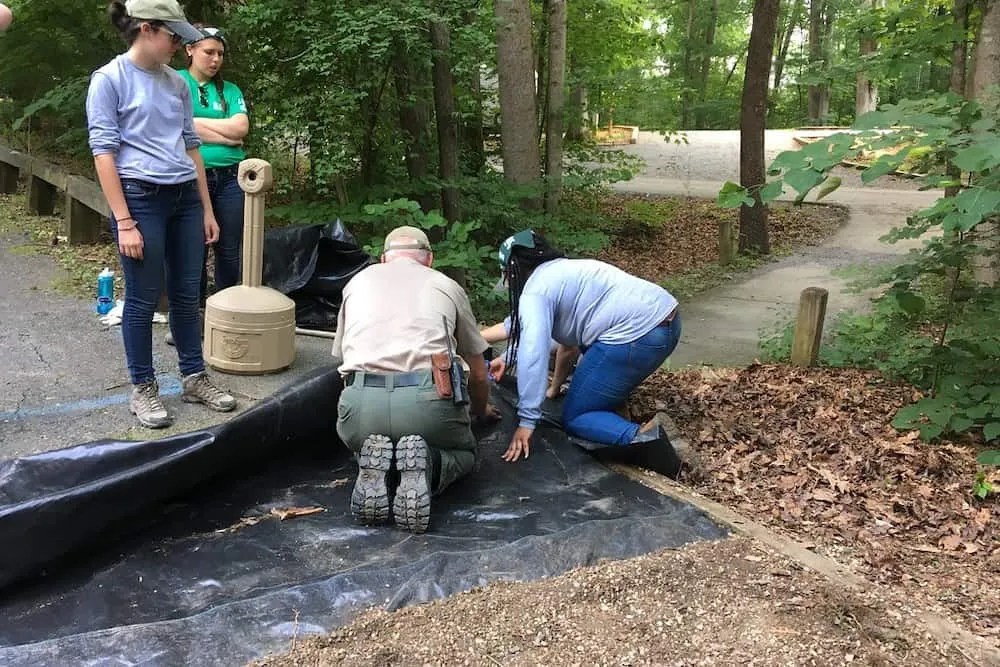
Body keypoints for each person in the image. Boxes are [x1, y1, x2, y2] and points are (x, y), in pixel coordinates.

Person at [87, 0, 236, 429]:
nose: (179, 45)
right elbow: (104, 153)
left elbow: (191, 146)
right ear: (147, 29)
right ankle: (143, 388)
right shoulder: (110, 79)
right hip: (139, 199)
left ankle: (193, 377)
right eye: (174, 37)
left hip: (185, 198)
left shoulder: (176, 84)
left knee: (188, 294)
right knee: (143, 296)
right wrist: (125, 221)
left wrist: (206, 207)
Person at [331, 226, 497, 534]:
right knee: (465, 455)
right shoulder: (446, 285)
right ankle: (429, 463)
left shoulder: (357, 283)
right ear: (429, 259)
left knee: (365, 446)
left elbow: (341, 357)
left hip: (362, 406)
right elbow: (477, 371)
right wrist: (480, 411)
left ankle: (377, 463)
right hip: (428, 402)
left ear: (383, 259)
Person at [488, 230, 682, 475]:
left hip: (638, 337)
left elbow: (534, 353)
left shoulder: (535, 292)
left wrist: (527, 420)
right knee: (588, 362)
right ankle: (609, 403)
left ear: (513, 270)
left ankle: (649, 439)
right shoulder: (562, 272)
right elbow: (541, 333)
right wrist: (507, 358)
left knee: (577, 416)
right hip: (668, 322)